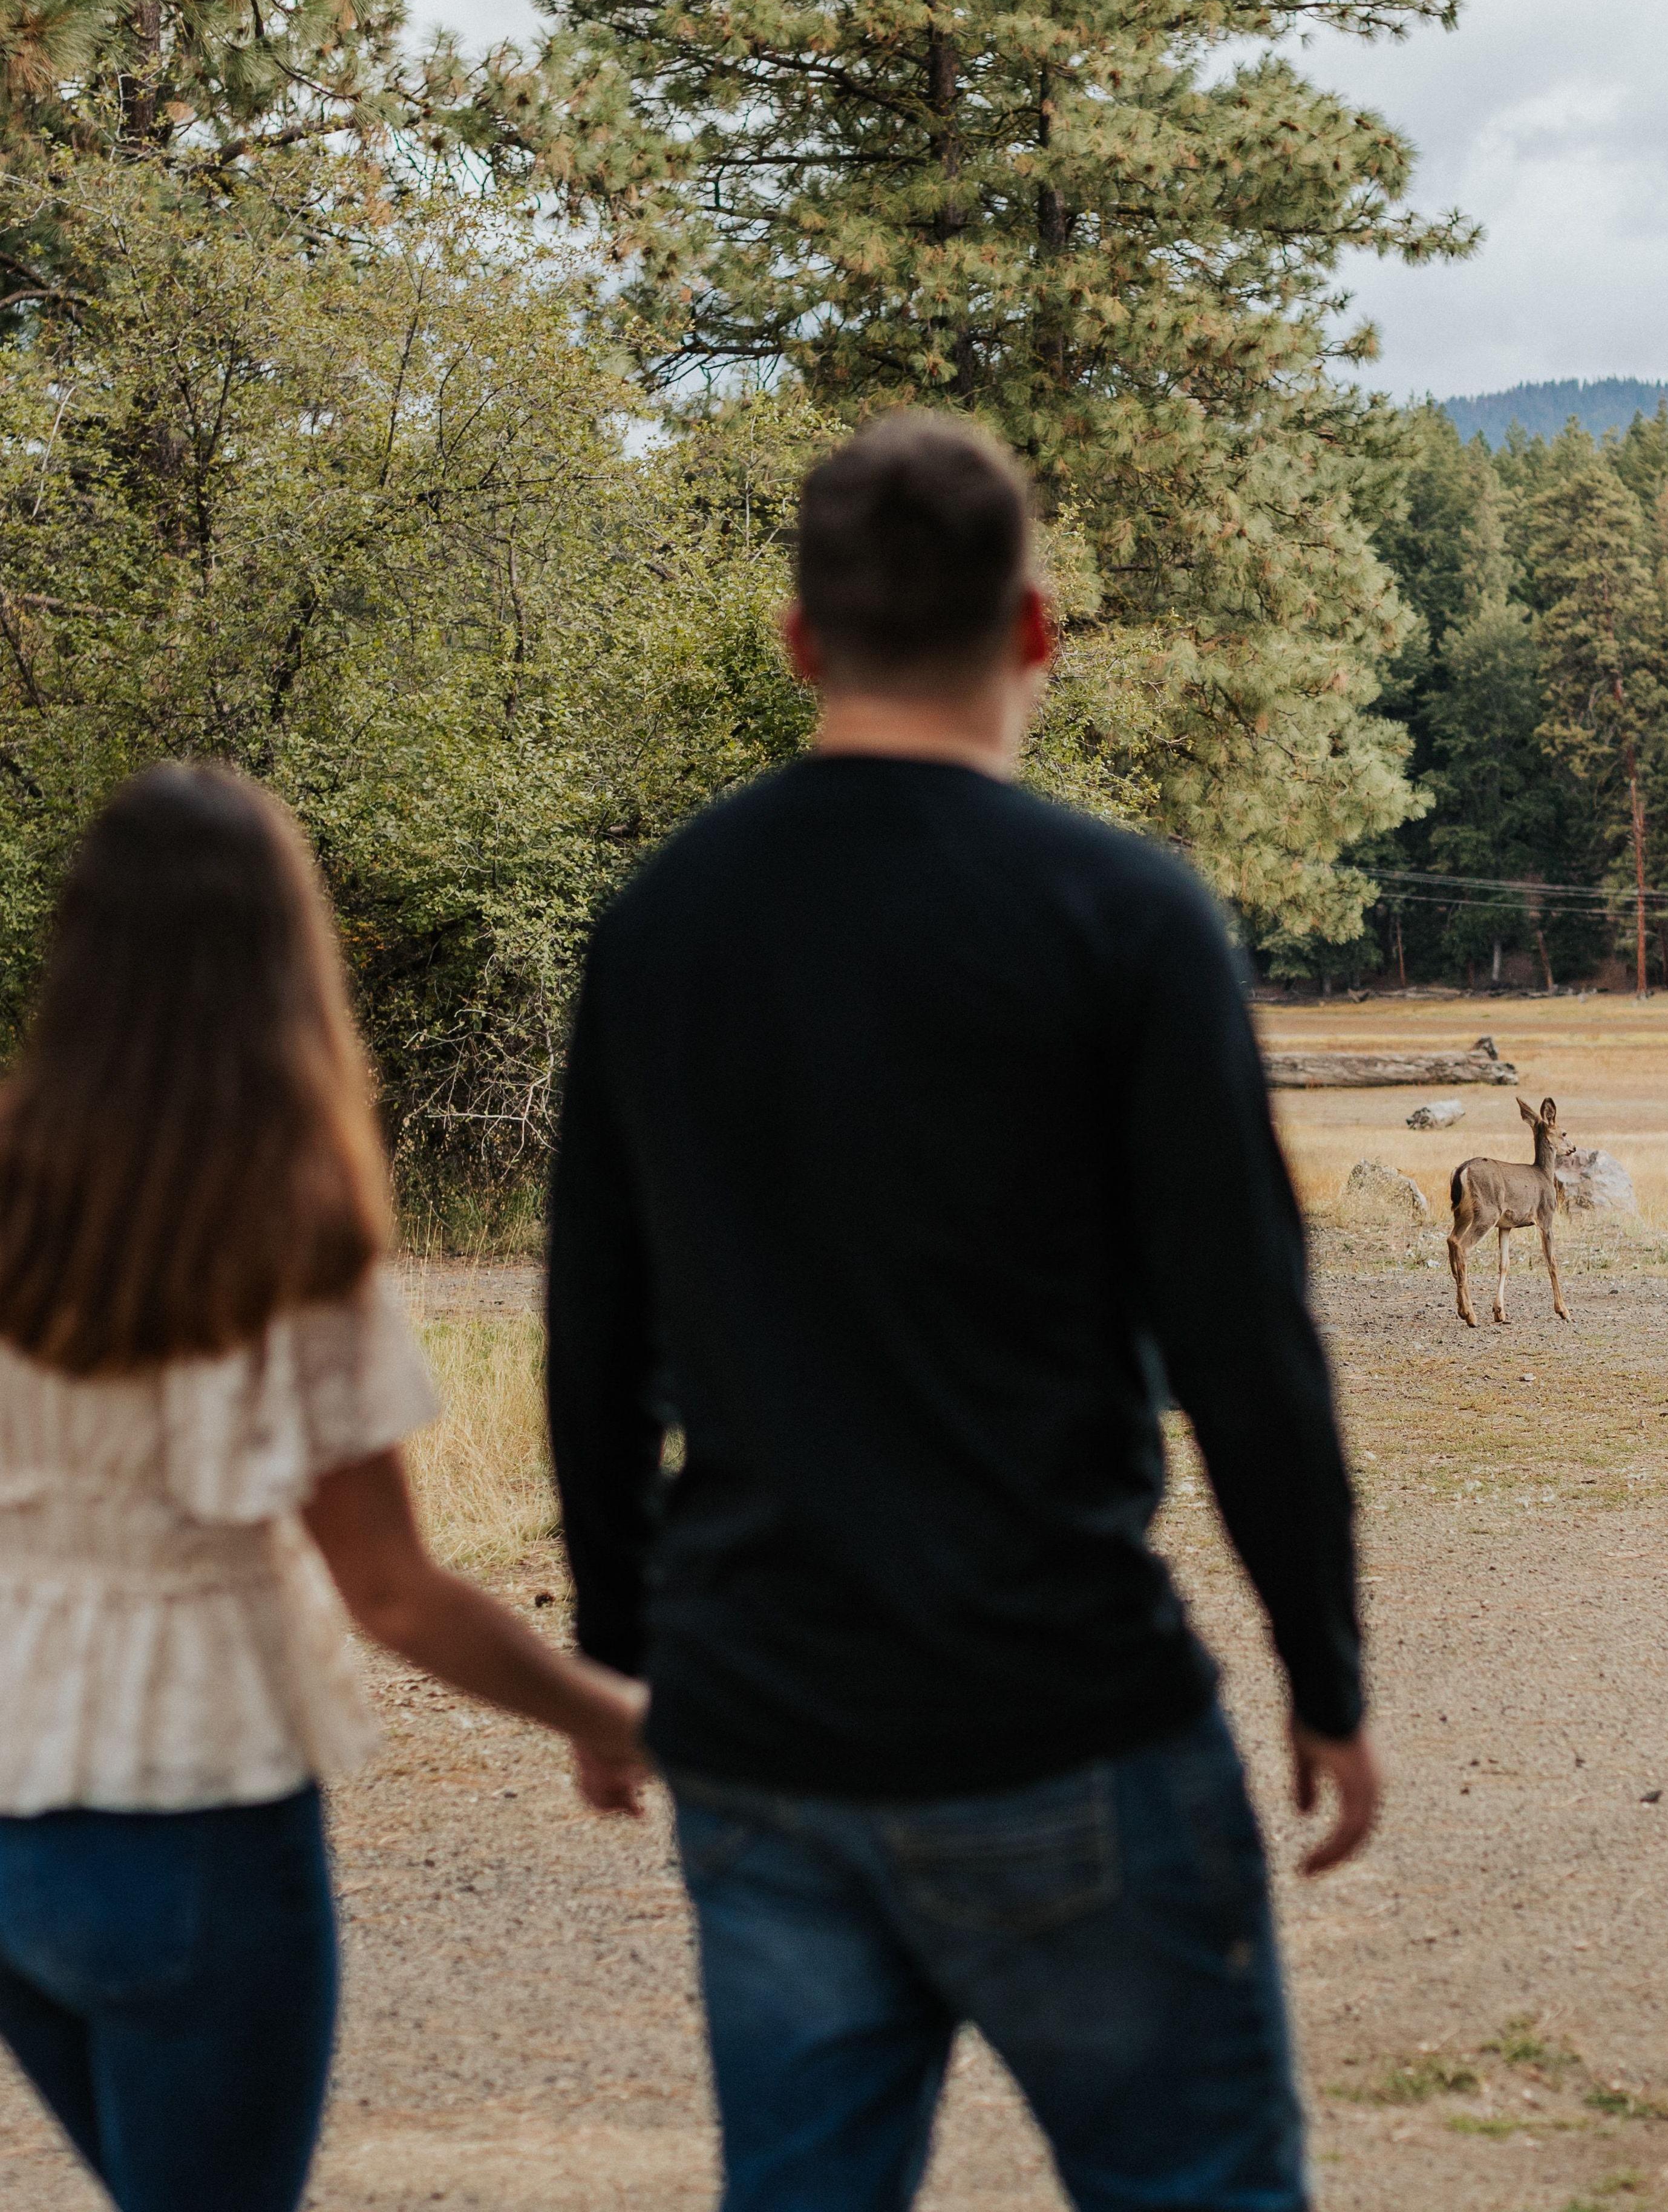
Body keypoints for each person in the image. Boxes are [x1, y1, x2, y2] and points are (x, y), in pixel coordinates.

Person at [546, 409, 1379, 2212]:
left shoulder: (659, 927)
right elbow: (1247, 1341)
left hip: (760, 1738)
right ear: (1035, 633)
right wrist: (1325, 1669)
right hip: (1062, 1716)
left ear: (798, 641)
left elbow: (595, 1336)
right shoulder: (1128, 918)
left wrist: (619, 1656)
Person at [0, 765, 650, 2212]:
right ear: (286, 957)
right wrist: (617, 1714)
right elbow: (392, 1591)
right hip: (194, 1810)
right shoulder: (288, 1225)